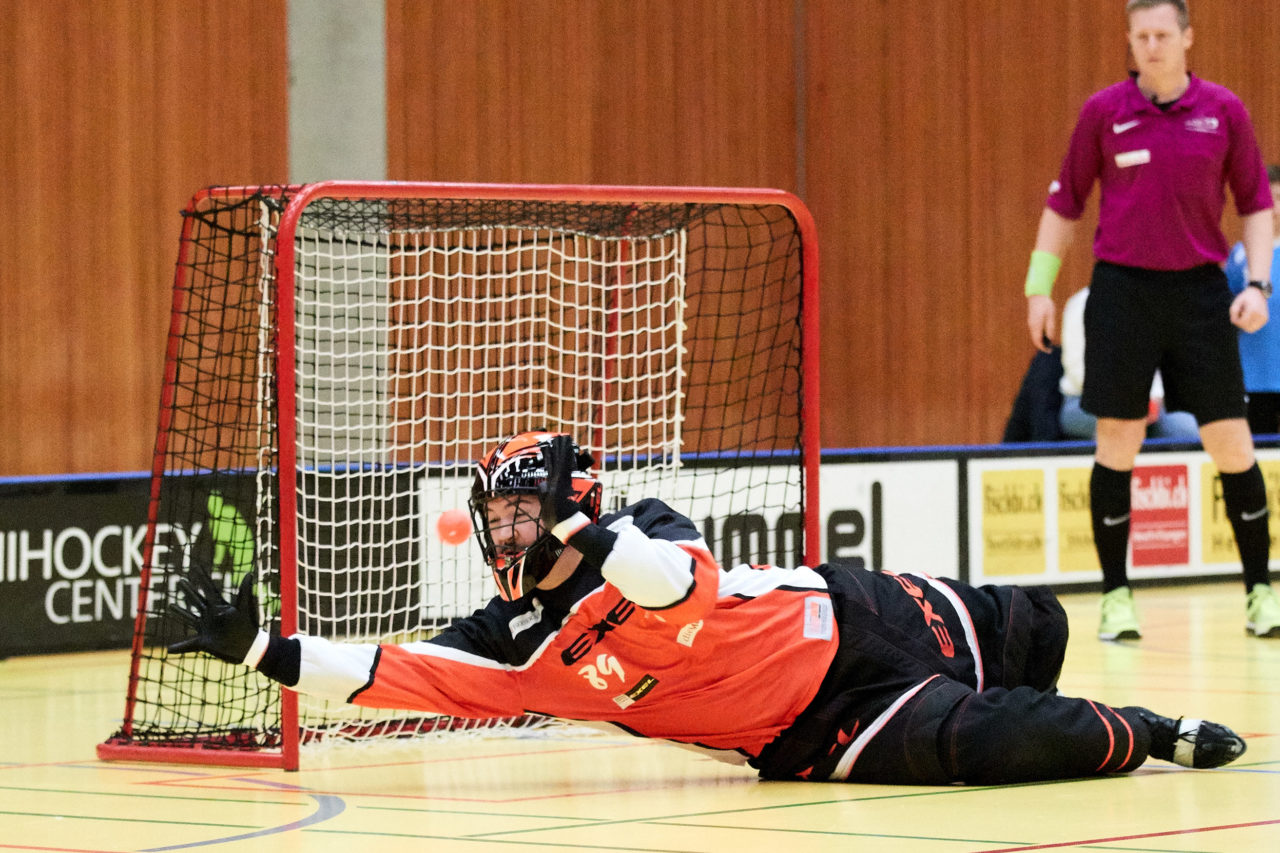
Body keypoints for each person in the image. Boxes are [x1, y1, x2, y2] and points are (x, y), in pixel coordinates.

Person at [168, 430, 1248, 785]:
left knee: (1039, 628)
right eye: (490, 518)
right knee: (1016, 740)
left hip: (859, 614)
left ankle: (1042, 676)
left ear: (568, 504)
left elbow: (670, 586)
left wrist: (585, 539)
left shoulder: (644, 524)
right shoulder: (510, 648)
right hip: (815, 730)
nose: (502, 535)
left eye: (518, 512)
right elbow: (384, 671)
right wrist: (260, 647)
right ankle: (1152, 731)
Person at [1022, 0, 1280, 640]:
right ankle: (1116, 598)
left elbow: (1256, 204)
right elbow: (1063, 205)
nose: (1153, 45)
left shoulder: (1224, 111)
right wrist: (1038, 290)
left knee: (1231, 443)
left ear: (1188, 38)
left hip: (1198, 294)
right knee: (1118, 441)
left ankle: (1260, 593)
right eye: (1142, 36)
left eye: (1164, 34)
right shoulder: (1103, 113)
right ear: (1131, 42)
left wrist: (1258, 284)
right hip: (1123, 292)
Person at [1058, 287, 1199, 441]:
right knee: (1120, 423)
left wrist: (1154, 397)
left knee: (1193, 431)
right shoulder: (1082, 304)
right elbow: (1079, 371)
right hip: (1085, 402)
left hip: (1150, 403)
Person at [1225, 164, 1280, 435]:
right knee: (1257, 451)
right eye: (1270, 199)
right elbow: (1227, 308)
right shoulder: (1239, 256)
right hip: (1254, 377)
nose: (1275, 208)